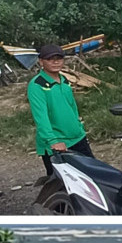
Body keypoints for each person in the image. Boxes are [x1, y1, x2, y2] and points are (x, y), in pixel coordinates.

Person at [28, 44, 94, 175]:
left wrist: (79, 127)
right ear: (41, 61)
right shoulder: (37, 85)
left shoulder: (64, 80)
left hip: (77, 137)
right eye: (50, 59)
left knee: (92, 177)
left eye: (59, 58)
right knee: (61, 185)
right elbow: (40, 116)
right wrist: (53, 141)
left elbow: (72, 106)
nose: (56, 61)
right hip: (57, 144)